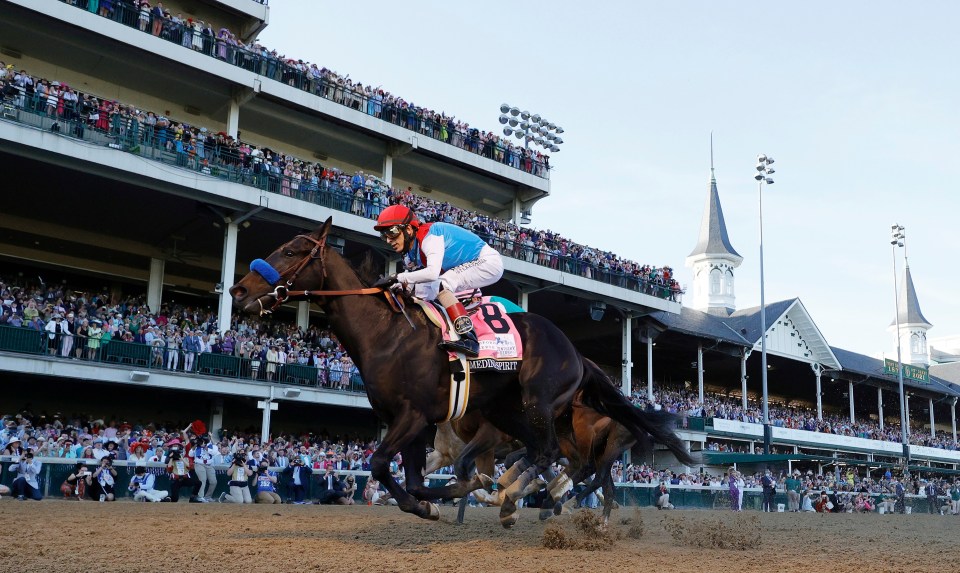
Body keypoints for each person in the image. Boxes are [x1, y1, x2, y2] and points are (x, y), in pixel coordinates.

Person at [372, 204, 504, 357]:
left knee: (442, 284)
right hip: (465, 265)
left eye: (392, 232)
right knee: (421, 293)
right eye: (384, 236)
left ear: (408, 230)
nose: (388, 240)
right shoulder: (410, 253)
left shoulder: (430, 237)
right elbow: (413, 283)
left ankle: (470, 339)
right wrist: (397, 286)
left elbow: (432, 273)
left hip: (487, 261)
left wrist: (397, 277)